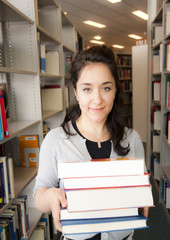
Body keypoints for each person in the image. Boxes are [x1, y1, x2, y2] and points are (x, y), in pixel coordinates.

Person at [33, 45, 149, 240]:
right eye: (87, 89)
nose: (97, 99)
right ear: (76, 93)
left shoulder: (132, 138)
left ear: (114, 91)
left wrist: (142, 192)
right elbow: (39, 196)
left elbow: (141, 185)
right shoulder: (55, 140)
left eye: (106, 88)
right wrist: (50, 196)